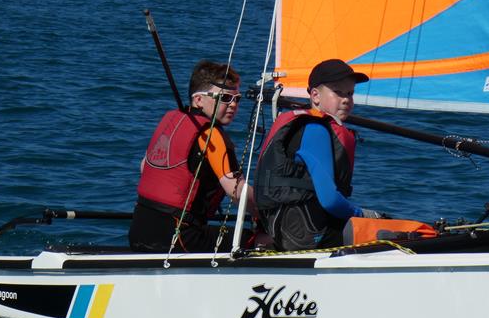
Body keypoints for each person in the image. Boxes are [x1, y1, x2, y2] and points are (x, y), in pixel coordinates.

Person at [254, 58, 382, 251]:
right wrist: (363, 214)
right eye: (338, 92)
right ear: (315, 96)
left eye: (350, 93)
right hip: (310, 235)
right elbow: (330, 200)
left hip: (290, 231)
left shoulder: (307, 126)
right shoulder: (316, 129)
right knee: (398, 232)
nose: (346, 99)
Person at [129, 60, 253, 253]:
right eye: (225, 98)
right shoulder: (211, 135)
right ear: (198, 100)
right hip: (179, 237)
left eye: (237, 98)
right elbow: (236, 191)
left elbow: (144, 167)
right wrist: (266, 213)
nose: (233, 105)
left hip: (139, 231)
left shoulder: (171, 121)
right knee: (258, 239)